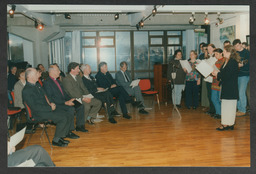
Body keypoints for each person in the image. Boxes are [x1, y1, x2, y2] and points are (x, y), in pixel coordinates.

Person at [22, 68, 74, 147]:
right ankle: (56, 140)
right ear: (29, 76)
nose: (38, 75)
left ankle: (61, 136)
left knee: (68, 114)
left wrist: (51, 103)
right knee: (62, 118)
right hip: (38, 113)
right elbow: (35, 107)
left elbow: (46, 96)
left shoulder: (37, 85)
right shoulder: (27, 90)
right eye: (36, 74)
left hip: (46, 109)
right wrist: (50, 108)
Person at [43, 64, 81, 139]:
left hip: (62, 102)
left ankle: (72, 129)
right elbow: (51, 98)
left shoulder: (58, 81)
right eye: (58, 70)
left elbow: (64, 93)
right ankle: (68, 131)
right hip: (56, 104)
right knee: (70, 109)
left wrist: (71, 99)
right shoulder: (47, 82)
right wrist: (65, 103)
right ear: (52, 71)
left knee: (78, 105)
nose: (60, 72)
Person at [62, 62, 102, 128]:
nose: (79, 70)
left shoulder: (78, 77)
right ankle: (80, 124)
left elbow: (83, 88)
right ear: (72, 70)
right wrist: (83, 98)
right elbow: (71, 93)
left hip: (82, 96)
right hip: (73, 99)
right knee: (86, 106)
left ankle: (88, 117)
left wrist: (89, 96)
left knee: (98, 102)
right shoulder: (67, 79)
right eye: (78, 68)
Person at [212, 45, 240, 131]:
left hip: (230, 87)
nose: (223, 52)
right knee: (226, 106)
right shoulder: (227, 61)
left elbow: (227, 75)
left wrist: (217, 74)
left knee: (230, 106)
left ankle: (227, 124)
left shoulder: (232, 62)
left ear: (229, 52)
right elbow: (224, 73)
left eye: (224, 51)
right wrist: (217, 73)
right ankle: (228, 123)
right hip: (227, 86)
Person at [232, 39, 250, 117]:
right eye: (235, 46)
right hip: (237, 75)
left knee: (241, 92)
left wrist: (241, 64)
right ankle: (239, 109)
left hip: (244, 75)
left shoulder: (247, 53)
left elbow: (247, 63)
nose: (236, 48)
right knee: (237, 92)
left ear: (240, 44)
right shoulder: (235, 53)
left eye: (237, 46)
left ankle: (243, 110)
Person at [211, 48, 226, 119]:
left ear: (221, 53)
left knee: (220, 99)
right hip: (214, 82)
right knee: (214, 98)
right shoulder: (216, 62)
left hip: (220, 82)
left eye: (217, 54)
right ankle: (218, 112)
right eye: (215, 54)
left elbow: (223, 72)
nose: (215, 55)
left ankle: (220, 113)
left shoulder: (224, 61)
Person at [204, 44, 216, 116]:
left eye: (210, 49)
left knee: (213, 96)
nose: (209, 50)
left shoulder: (215, 58)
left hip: (212, 79)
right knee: (209, 95)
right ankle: (211, 110)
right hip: (207, 78)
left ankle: (214, 110)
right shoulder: (209, 57)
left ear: (214, 49)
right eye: (208, 49)